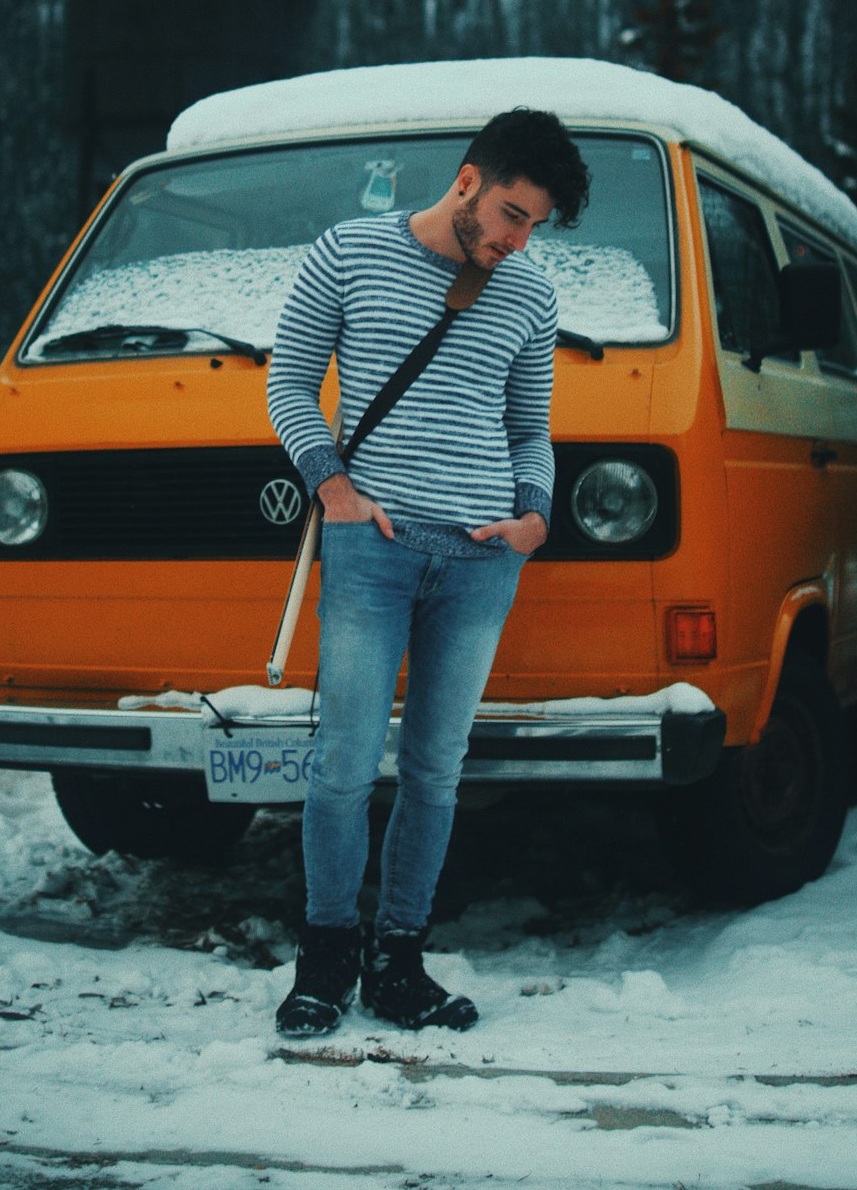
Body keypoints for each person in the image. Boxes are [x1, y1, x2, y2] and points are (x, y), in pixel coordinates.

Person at [266, 107, 590, 1037]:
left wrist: (535, 514)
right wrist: (330, 486)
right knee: (340, 764)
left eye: (535, 226)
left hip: (484, 561)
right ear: (467, 180)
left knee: (435, 771)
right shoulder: (349, 251)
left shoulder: (529, 294)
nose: (520, 241)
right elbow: (289, 381)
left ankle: (398, 959)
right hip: (374, 546)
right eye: (513, 216)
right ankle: (324, 959)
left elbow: (531, 426)